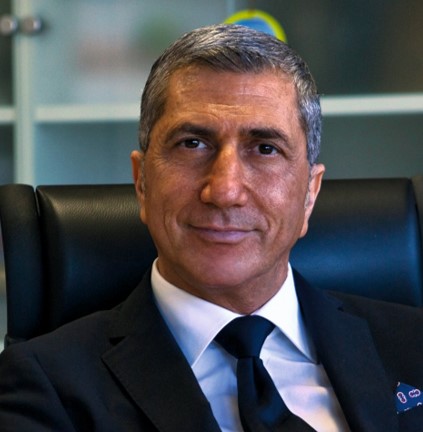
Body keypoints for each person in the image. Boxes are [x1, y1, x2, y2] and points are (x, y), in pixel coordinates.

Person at [0, 24, 422, 432]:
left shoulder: (414, 345)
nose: (224, 191)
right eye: (192, 144)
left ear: (310, 193)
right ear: (142, 182)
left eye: (265, 148)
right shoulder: (45, 386)